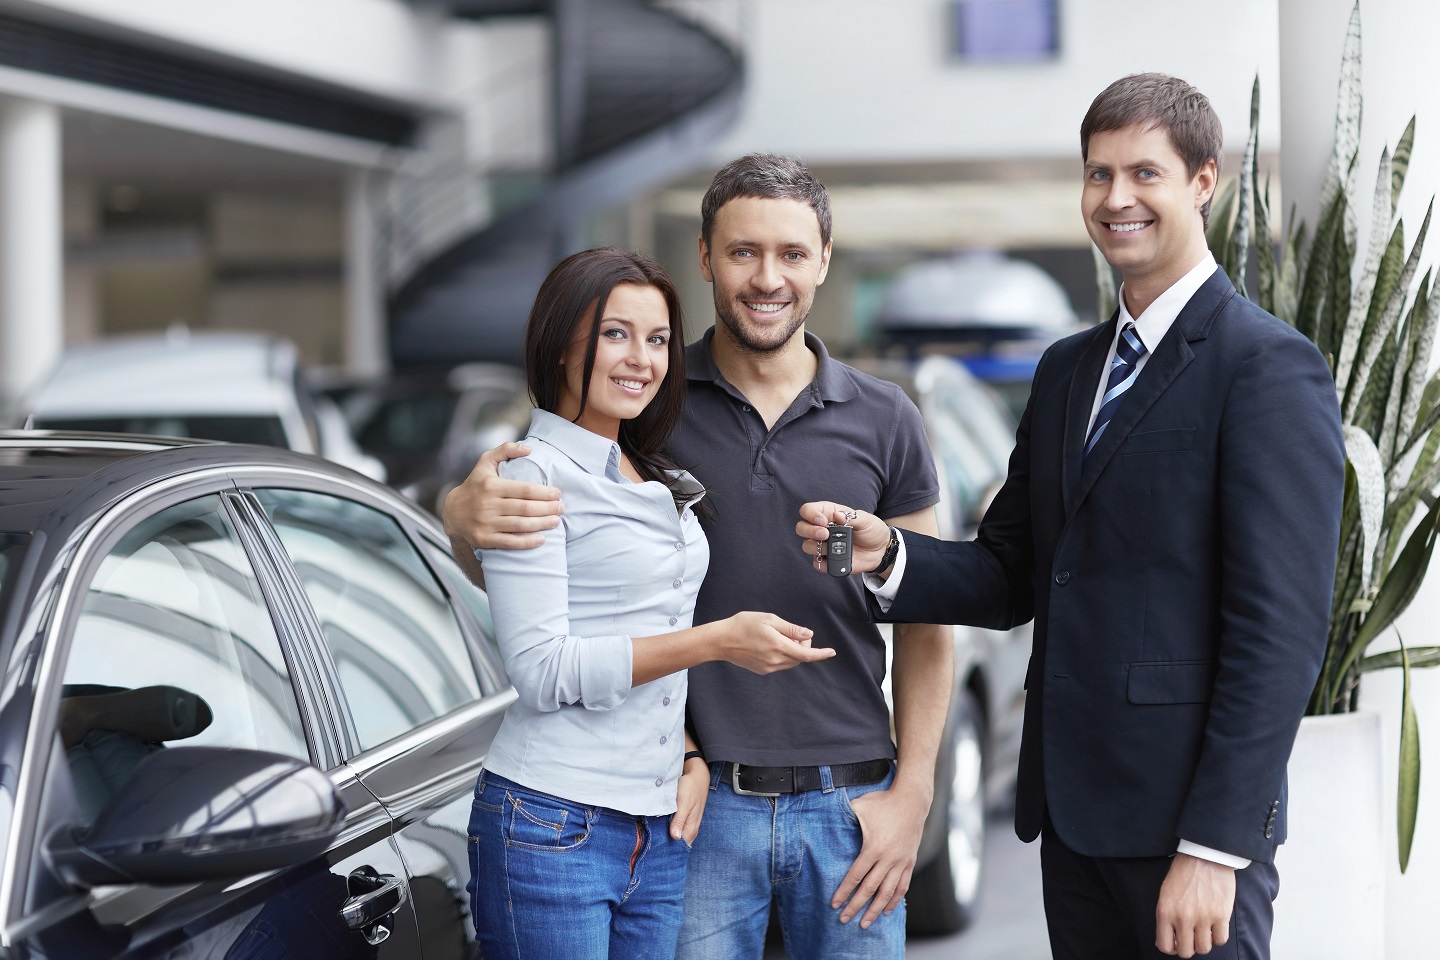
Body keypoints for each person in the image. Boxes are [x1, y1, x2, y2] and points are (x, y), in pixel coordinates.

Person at [796, 74, 1345, 960]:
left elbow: (1280, 632)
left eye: (1145, 173)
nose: (1116, 197)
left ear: (1204, 181)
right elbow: (1012, 571)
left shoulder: (1266, 367)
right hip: (1074, 823)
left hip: (1186, 835)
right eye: (1098, 174)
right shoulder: (1066, 371)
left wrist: (1216, 846)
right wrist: (891, 553)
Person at [445, 156, 951, 960]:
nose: (768, 278)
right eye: (744, 252)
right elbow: (546, 564)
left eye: (791, 253)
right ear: (707, 258)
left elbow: (930, 614)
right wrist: (460, 515)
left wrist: (914, 795)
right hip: (698, 807)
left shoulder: (887, 416)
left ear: (824, 259)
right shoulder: (649, 398)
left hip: (853, 804)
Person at [462, 247, 834, 960]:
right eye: (615, 334)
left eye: (658, 339)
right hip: (551, 821)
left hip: (657, 824)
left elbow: (649, 618)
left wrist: (687, 752)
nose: (642, 359)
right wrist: (719, 641)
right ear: (561, 344)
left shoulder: (643, 466)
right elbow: (541, 669)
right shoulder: (531, 477)